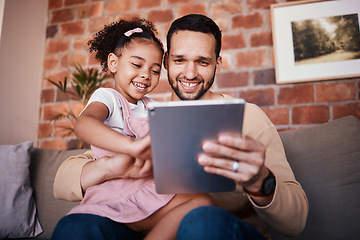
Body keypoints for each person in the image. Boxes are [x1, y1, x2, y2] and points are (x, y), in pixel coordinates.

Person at [52, 14, 308, 240]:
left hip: (217, 228)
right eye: (180, 60)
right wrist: (108, 166)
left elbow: (295, 222)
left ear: (217, 64)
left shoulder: (247, 117)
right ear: (165, 62)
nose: (190, 73)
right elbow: (63, 180)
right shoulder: (148, 115)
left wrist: (259, 180)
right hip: (148, 225)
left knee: (200, 219)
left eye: (203, 62)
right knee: (76, 227)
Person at [59, 18, 213, 240]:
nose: (145, 75)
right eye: (137, 65)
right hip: (114, 191)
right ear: (113, 63)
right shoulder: (108, 98)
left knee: (202, 201)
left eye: (154, 70)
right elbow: (84, 125)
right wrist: (132, 147)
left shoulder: (152, 107)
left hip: (148, 188)